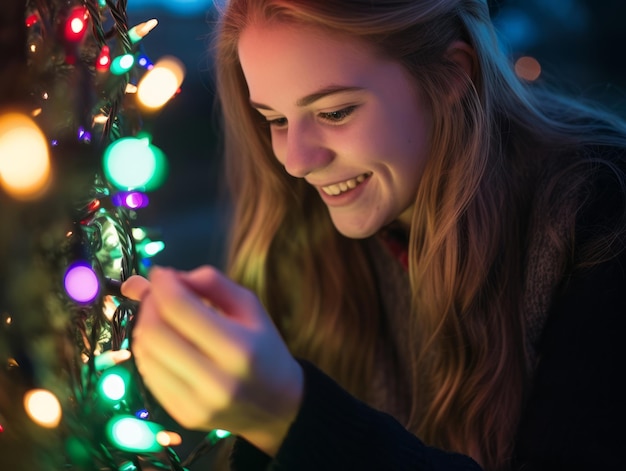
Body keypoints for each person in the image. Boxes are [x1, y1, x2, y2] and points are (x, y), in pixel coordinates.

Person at [121, 0, 626, 469]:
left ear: (452, 74)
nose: (296, 161)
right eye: (274, 119)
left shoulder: (601, 219)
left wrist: (288, 415)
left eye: (335, 112)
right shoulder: (306, 241)